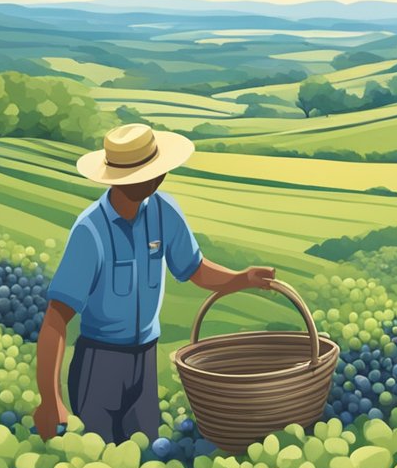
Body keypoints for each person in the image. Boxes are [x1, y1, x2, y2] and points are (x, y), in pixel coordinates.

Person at [34, 123, 276, 443]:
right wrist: (50, 400)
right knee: (97, 454)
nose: (153, 179)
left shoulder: (165, 212)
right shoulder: (90, 230)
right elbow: (56, 317)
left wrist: (241, 279)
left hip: (145, 361)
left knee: (146, 451)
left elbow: (195, 269)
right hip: (99, 363)